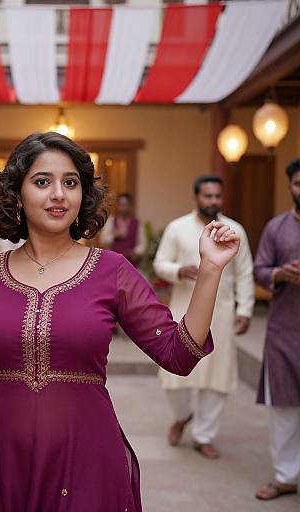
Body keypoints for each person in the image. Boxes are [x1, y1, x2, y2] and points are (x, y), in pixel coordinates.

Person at [0, 132, 240, 511]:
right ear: (17, 195)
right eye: (42, 182)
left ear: (83, 195)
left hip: (85, 455)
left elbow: (179, 355)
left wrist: (210, 269)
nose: (58, 194)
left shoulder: (113, 271)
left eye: (70, 182)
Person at [153, 175, 254, 459]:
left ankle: (204, 436)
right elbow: (160, 263)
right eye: (207, 196)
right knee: (174, 377)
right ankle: (182, 416)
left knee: (217, 378)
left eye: (217, 196)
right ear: (196, 197)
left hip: (221, 315)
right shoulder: (177, 228)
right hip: (183, 311)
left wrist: (245, 310)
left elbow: (245, 273)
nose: (212, 201)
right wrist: (178, 271)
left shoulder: (235, 230)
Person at [254, 159, 300, 500]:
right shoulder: (277, 227)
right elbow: (260, 270)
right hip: (286, 329)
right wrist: (281, 274)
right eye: (298, 183)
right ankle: (285, 477)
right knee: (283, 406)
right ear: (290, 186)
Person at [99, 193, 146, 266]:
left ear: (130, 206)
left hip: (130, 263)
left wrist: (135, 252)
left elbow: (142, 244)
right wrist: (115, 235)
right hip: (113, 261)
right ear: (117, 206)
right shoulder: (111, 221)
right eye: (121, 205)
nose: (123, 207)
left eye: (126, 205)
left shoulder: (137, 223)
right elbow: (103, 240)